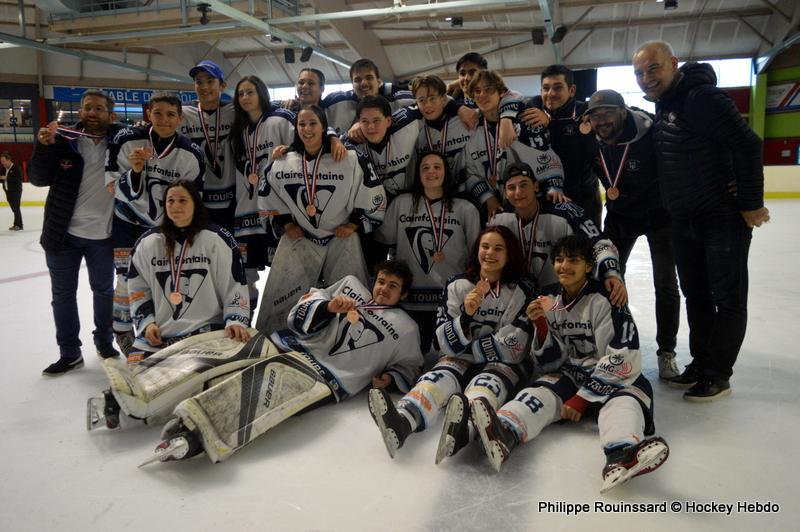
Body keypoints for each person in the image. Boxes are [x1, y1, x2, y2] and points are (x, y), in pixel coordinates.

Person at [143, 260, 424, 464]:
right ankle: (148, 383)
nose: (383, 289)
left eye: (393, 286)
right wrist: (328, 308)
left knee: (262, 389)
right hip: (289, 342)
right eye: (381, 281)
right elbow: (302, 311)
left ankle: (195, 434)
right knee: (227, 350)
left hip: (324, 374)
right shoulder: (350, 288)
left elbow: (410, 368)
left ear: (405, 294)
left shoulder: (406, 328)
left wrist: (389, 379)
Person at [470, 234, 669, 494]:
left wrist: (583, 399)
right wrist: (540, 326)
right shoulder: (547, 297)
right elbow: (551, 362)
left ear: (588, 266)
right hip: (570, 373)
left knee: (624, 403)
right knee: (536, 394)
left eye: (573, 260)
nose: (564, 266)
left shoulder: (608, 298)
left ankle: (621, 456)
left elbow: (624, 356)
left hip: (611, 376)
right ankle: (504, 432)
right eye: (560, 260)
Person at [632, 41, 769, 401]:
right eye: (640, 73)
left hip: (719, 218)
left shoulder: (701, 98)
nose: (646, 78)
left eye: (653, 68)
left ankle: (718, 373)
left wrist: (750, 202)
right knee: (696, 296)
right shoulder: (666, 104)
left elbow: (748, 144)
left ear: (673, 63)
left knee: (727, 297)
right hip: (684, 220)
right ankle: (701, 362)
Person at [368, 226, 535, 464]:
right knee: (436, 379)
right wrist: (466, 316)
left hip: (500, 363)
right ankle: (402, 421)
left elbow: (515, 346)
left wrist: (467, 348)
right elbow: (442, 343)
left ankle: (463, 432)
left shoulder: (521, 290)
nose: (490, 253)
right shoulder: (457, 285)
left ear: (510, 255)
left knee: (484, 387)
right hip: (465, 357)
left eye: (499, 248)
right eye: (485, 246)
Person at [255, 105, 385, 334]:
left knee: (349, 305)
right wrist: (286, 224)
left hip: (341, 238)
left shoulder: (350, 157)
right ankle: (277, 342)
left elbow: (373, 194)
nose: (307, 129)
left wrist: (355, 223)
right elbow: (267, 197)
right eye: (302, 124)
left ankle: (347, 345)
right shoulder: (282, 160)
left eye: (313, 123)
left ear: (324, 127)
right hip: (301, 237)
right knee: (282, 303)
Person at [584, 89, 680, 380]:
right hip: (620, 217)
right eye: (595, 115)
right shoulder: (588, 137)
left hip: (660, 217)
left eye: (608, 112)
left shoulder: (650, 132)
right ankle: (615, 343)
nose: (602, 120)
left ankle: (667, 352)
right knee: (609, 278)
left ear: (623, 111)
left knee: (665, 283)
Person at [28, 90, 124, 376]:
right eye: (87, 108)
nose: (91, 112)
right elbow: (37, 178)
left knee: (104, 292)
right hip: (63, 234)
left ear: (111, 115)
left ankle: (105, 343)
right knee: (63, 295)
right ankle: (70, 353)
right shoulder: (64, 141)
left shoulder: (120, 142)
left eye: (98, 108)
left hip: (104, 236)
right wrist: (43, 147)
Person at [106, 92, 205, 354]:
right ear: (148, 113)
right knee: (126, 281)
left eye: (171, 114)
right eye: (157, 113)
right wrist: (135, 173)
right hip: (128, 224)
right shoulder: (125, 139)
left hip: (166, 228)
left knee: (166, 281)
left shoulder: (191, 153)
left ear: (180, 118)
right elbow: (110, 185)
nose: (163, 119)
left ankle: (159, 332)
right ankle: (123, 331)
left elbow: (194, 197)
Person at [127, 180, 250, 361]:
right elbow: (138, 289)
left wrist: (235, 320)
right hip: (162, 336)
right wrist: (148, 323)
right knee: (135, 380)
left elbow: (235, 285)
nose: (175, 206)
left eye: (182, 200)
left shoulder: (217, 239)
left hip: (208, 332)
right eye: (170, 201)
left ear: (195, 203)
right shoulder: (147, 243)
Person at [374, 150, 480, 351]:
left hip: (450, 301)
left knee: (444, 356)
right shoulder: (402, 203)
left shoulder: (465, 208)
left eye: (437, 167)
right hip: (409, 300)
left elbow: (476, 255)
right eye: (425, 168)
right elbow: (383, 240)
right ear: (418, 173)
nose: (431, 172)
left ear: (446, 173)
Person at [490, 163, 626, 305]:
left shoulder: (566, 212)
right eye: (512, 188)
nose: (518, 192)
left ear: (536, 186)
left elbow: (600, 244)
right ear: (505, 193)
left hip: (562, 298)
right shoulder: (499, 219)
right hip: (516, 298)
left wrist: (611, 273)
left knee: (611, 292)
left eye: (524, 185)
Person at [229, 75, 295, 312]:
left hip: (277, 210)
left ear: (262, 93)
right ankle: (245, 323)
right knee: (245, 274)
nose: (245, 98)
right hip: (246, 212)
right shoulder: (237, 129)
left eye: (250, 92)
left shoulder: (281, 119)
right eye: (241, 94)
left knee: (286, 273)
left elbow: (302, 147)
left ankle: (284, 323)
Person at [461, 70, 565, 219]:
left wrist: (553, 186)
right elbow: (471, 173)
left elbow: (547, 159)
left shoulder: (525, 121)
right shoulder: (471, 128)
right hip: (495, 208)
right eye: (477, 91)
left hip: (532, 205)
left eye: (488, 89)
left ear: (501, 93)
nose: (482, 95)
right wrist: (489, 199)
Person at [512, 65, 603, 226]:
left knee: (587, 247)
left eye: (558, 87)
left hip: (585, 196)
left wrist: (550, 122)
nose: (551, 94)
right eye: (546, 88)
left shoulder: (586, 112)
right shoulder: (533, 107)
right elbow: (502, 99)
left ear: (572, 90)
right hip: (548, 194)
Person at [180, 60, 236, 232]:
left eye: (210, 81)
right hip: (198, 197)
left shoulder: (235, 110)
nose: (204, 87)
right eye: (199, 82)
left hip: (231, 197)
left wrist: (289, 103)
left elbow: (263, 109)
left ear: (222, 85)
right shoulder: (183, 113)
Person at [323, 58, 415, 134]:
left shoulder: (397, 101)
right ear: (352, 85)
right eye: (357, 80)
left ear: (379, 82)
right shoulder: (336, 102)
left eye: (369, 78)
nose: (363, 83)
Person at [0, 151, 23, 230]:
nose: (2, 163)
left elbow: (19, 179)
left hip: (16, 191)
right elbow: (2, 178)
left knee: (16, 208)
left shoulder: (16, 168)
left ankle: (19, 225)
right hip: (7, 191)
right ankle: (17, 224)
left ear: (9, 160)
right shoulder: (3, 168)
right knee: (14, 208)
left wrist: (6, 178)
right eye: (1, 161)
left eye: (3, 161)